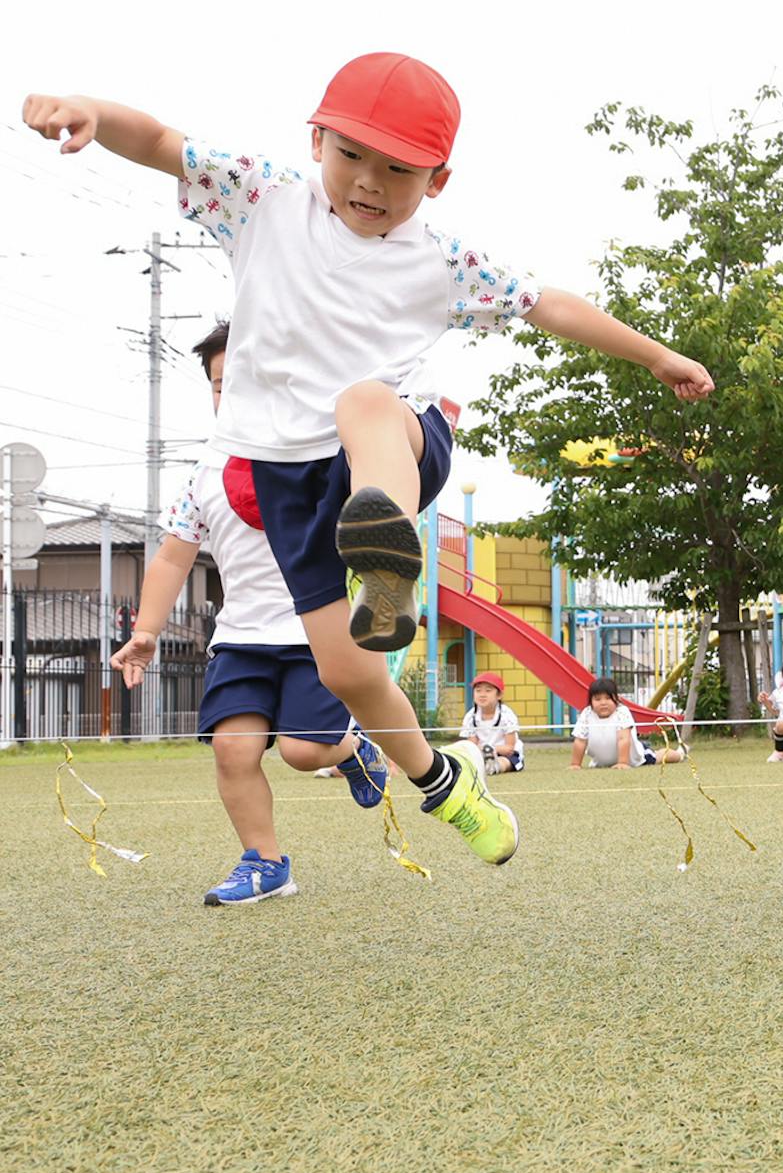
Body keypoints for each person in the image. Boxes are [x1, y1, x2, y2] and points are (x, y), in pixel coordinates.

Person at [24, 55, 714, 868]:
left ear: (439, 179)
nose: (370, 183)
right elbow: (164, 142)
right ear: (316, 139)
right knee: (347, 671)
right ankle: (441, 780)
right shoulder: (264, 196)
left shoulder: (439, 258)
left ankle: (385, 550)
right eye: (352, 155)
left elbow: (548, 302)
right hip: (285, 473)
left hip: (393, 439)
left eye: (399, 170)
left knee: (362, 399)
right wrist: (94, 114)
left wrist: (657, 355)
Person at [110, 322, 389, 905]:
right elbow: (171, 557)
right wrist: (145, 632)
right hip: (240, 637)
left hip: (315, 632)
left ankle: (354, 747)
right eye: (220, 383)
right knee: (233, 749)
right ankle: (265, 863)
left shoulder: (323, 454)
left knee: (302, 751)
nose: (232, 391)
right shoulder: (205, 470)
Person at [568, 677, 685, 770]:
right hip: (602, 761)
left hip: (634, 758)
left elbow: (623, 738)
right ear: (591, 701)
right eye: (598, 699)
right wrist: (575, 764)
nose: (603, 703)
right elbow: (580, 740)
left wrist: (623, 763)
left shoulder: (622, 711)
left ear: (616, 699)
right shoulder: (587, 714)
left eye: (608, 698)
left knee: (658, 756)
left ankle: (680, 753)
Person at [459, 671, 522, 774]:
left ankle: (494, 767)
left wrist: (491, 750)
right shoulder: (470, 717)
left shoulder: (507, 715)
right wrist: (483, 751)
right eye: (478, 691)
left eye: (488, 691)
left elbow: (510, 748)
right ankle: (484, 765)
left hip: (505, 755)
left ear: (499, 695)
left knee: (506, 761)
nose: (482, 695)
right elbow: (472, 745)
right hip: (481, 753)